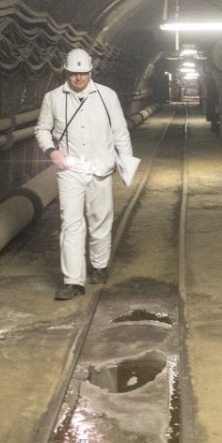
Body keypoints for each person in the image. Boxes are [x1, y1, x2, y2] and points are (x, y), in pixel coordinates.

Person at [35, 48, 133, 300]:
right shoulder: (53, 98)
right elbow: (42, 129)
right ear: (66, 72)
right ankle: (73, 280)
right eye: (73, 74)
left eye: (83, 73)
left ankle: (99, 266)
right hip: (70, 170)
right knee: (71, 223)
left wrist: (126, 167)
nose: (78, 78)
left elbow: (120, 132)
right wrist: (51, 151)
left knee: (100, 219)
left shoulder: (107, 96)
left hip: (100, 167)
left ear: (90, 72)